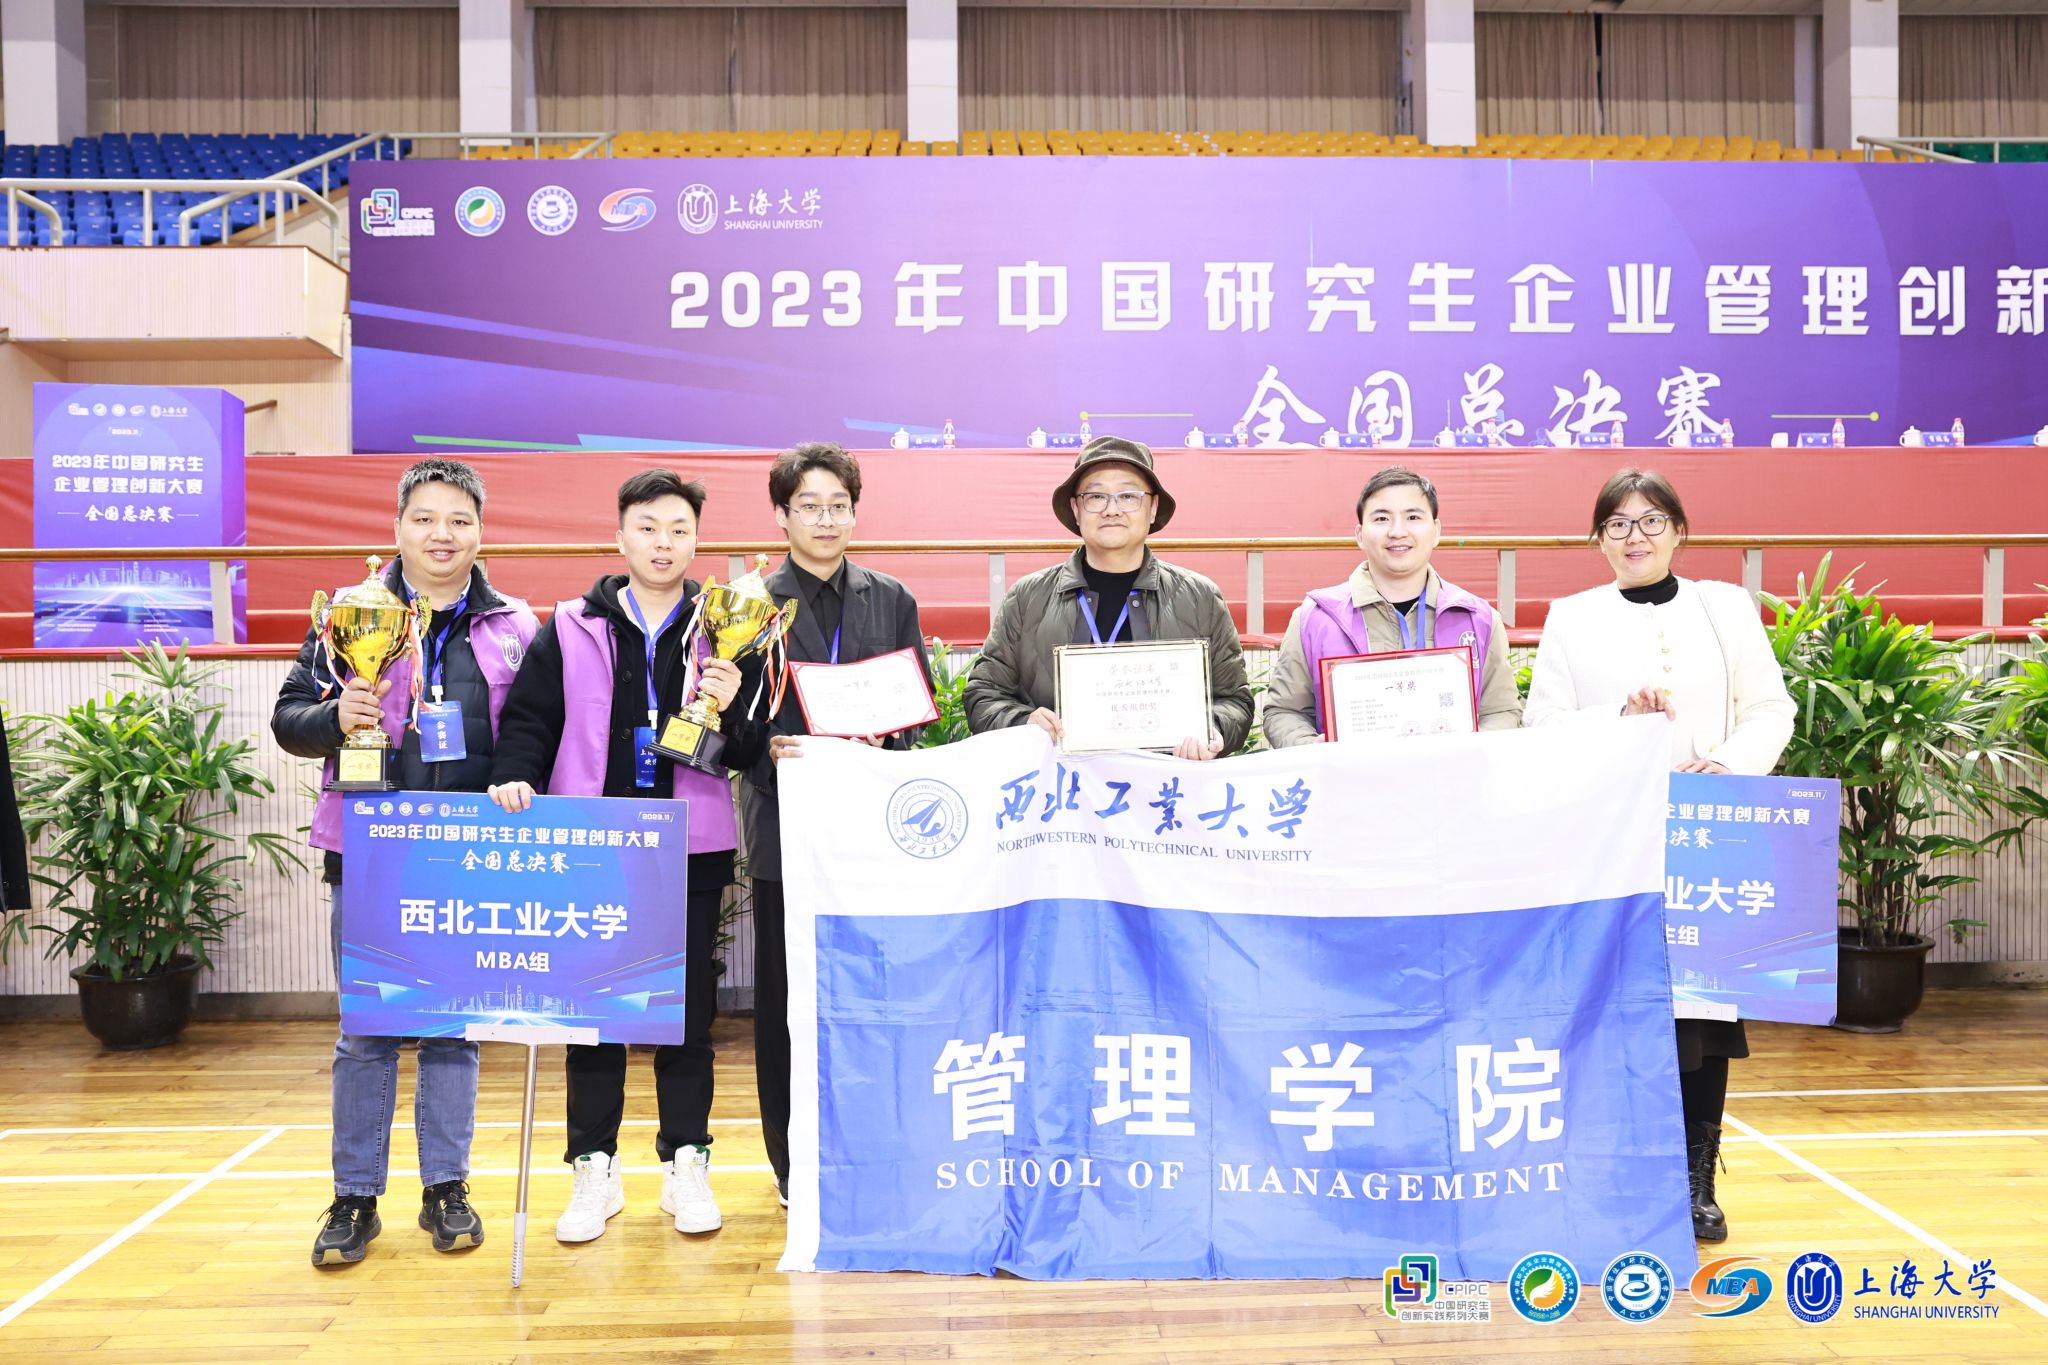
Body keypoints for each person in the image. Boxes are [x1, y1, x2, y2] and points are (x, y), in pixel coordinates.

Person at [272, 457, 540, 1267]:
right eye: (425, 518)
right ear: (397, 527)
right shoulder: (349, 613)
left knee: (454, 1028)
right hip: (371, 853)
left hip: (469, 855)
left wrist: (518, 779)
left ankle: (446, 1187)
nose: (441, 534)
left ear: (481, 531)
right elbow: (288, 718)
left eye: (459, 519)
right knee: (367, 1031)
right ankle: (354, 1196)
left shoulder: (514, 625)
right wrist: (334, 715)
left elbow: (532, 729)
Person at [486, 469, 764, 1242]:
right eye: (648, 527)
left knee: (687, 1015)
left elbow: (747, 747)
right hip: (593, 843)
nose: (663, 543)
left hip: (688, 841)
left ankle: (686, 1162)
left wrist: (729, 701)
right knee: (594, 1015)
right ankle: (594, 1167)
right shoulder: (571, 625)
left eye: (678, 529)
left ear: (697, 540)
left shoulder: (725, 626)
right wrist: (515, 773)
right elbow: (531, 718)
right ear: (620, 537)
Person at [1523, 467, 1794, 1243]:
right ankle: (1618, 1174)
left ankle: (1694, 1179)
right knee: (1614, 1005)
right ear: (1599, 538)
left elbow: (1771, 707)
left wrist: (1729, 763)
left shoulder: (1725, 606)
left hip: (1708, 840)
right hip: (1612, 843)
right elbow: (1542, 726)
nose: (1633, 536)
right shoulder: (1573, 617)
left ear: (1678, 530)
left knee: (1704, 1013)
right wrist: (1618, 715)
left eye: (1650, 521)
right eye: (1617, 523)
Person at [741, 442, 932, 1208]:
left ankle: (874, 1145)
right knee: (785, 1002)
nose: (826, 519)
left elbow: (914, 705)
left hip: (870, 830)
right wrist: (768, 749)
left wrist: (893, 735)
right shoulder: (751, 605)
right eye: (809, 506)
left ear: (855, 512)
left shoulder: (891, 598)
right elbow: (730, 721)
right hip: (786, 827)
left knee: (873, 993)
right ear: (781, 514)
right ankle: (793, 1161)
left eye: (838, 506)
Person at [964, 435, 1252, 756]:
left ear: (1153, 508)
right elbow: (984, 695)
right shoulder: (1027, 598)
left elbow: (1234, 700)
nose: (1111, 510)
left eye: (1128, 496)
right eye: (1096, 497)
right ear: (1076, 509)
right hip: (1060, 782)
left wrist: (1212, 731)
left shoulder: (1199, 597)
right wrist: (1024, 723)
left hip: (1167, 781)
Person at [1262, 466, 1521, 745]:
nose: (1398, 531)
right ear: (1360, 534)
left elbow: (1502, 710)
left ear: (1436, 531)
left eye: (1413, 517)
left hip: (1452, 772)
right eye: (1382, 518)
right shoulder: (1314, 618)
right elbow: (1284, 712)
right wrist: (1313, 748)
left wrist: (1474, 748)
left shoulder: (1478, 618)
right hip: (1349, 773)